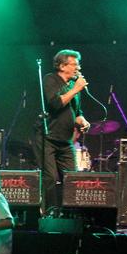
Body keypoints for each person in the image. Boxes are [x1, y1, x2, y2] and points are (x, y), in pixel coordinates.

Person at [36, 49, 91, 212]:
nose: (78, 68)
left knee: (72, 178)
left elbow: (77, 112)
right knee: (50, 178)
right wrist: (76, 89)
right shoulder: (50, 79)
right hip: (47, 138)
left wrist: (82, 121)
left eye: (78, 64)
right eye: (74, 64)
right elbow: (54, 104)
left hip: (66, 141)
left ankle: (70, 214)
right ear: (62, 66)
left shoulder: (74, 85)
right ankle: (49, 213)